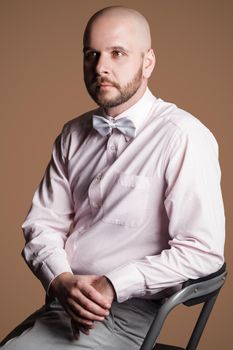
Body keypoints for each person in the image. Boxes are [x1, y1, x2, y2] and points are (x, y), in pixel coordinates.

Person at [1, 5, 225, 350]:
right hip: (64, 300)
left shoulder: (183, 136)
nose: (101, 67)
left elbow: (203, 253)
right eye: (92, 54)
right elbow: (40, 225)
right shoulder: (72, 134)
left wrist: (113, 284)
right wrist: (60, 281)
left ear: (147, 62)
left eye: (117, 53)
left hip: (129, 315)